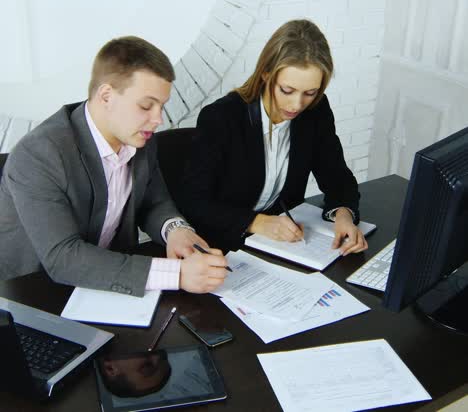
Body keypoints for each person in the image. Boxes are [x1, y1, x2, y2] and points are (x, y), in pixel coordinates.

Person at [0, 36, 228, 296]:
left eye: (161, 106)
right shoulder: (39, 154)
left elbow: (154, 203)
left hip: (109, 288)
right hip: (34, 296)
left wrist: (177, 231)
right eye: (146, 105)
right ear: (106, 95)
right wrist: (176, 275)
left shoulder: (140, 139)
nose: (158, 119)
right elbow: (63, 258)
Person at [179, 19, 368, 255]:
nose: (297, 104)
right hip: (222, 244)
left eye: (310, 93)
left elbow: (336, 175)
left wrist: (343, 214)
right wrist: (257, 222)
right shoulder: (222, 117)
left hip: (281, 243)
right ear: (266, 74)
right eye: (287, 91)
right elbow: (194, 202)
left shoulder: (315, 111)